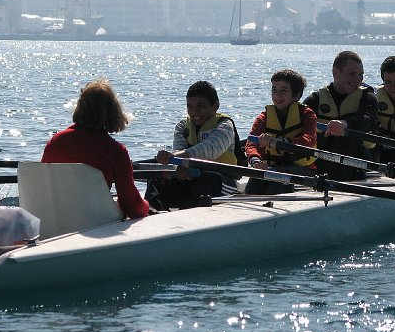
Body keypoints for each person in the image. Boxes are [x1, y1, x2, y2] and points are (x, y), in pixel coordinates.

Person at [41, 78, 150, 219]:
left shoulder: (55, 142)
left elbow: (43, 186)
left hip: (54, 220)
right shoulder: (116, 152)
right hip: (93, 222)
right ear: (112, 112)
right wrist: (147, 205)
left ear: (80, 107)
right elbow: (132, 207)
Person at [146, 81, 244, 210]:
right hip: (192, 177)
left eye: (200, 106)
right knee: (157, 176)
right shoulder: (182, 126)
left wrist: (178, 157)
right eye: (190, 107)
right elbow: (178, 150)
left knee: (209, 179)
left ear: (215, 106)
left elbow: (209, 149)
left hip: (223, 182)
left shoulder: (225, 126)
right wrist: (177, 166)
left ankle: (187, 214)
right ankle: (153, 211)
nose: (194, 112)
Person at [303, 50, 378, 181]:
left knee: (344, 140)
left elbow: (369, 120)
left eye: (360, 75)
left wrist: (345, 124)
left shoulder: (368, 98)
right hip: (324, 157)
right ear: (335, 73)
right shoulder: (316, 99)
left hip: (361, 158)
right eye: (352, 74)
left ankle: (336, 182)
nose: (358, 79)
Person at [244, 69, 317, 194]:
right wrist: (256, 161)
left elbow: (308, 141)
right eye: (274, 90)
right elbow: (251, 144)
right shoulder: (263, 117)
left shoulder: (307, 115)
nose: (277, 96)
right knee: (257, 179)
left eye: (283, 91)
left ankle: (275, 201)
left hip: (303, 169)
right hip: (273, 167)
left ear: (297, 95)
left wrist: (281, 142)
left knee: (277, 176)